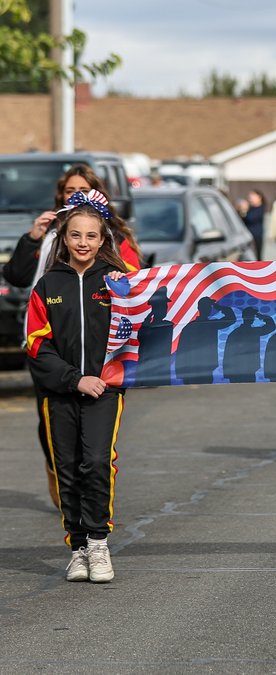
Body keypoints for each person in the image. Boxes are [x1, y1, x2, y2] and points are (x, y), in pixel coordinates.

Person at [2, 165, 140, 508]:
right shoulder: (51, 233)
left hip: (98, 357)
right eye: (69, 191)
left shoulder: (111, 236)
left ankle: (91, 508)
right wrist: (32, 238)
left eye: (83, 190)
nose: (76, 196)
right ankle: (58, 469)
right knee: (52, 428)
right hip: (50, 344)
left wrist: (119, 277)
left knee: (94, 450)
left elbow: (137, 285)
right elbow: (16, 276)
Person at [24, 194, 130, 583]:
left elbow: (145, 328)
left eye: (91, 236)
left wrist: (129, 291)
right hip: (60, 393)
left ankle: (99, 543)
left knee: (97, 463)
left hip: (106, 391)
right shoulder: (48, 285)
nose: (83, 243)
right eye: (75, 235)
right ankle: (78, 548)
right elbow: (36, 345)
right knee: (66, 468)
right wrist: (74, 378)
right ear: (64, 238)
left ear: (103, 239)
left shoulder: (118, 283)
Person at [242, 189, 267, 259]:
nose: (250, 198)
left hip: (256, 236)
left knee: (256, 256)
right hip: (247, 235)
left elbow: (250, 218)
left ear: (259, 197)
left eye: (253, 196)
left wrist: (245, 210)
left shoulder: (260, 208)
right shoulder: (250, 208)